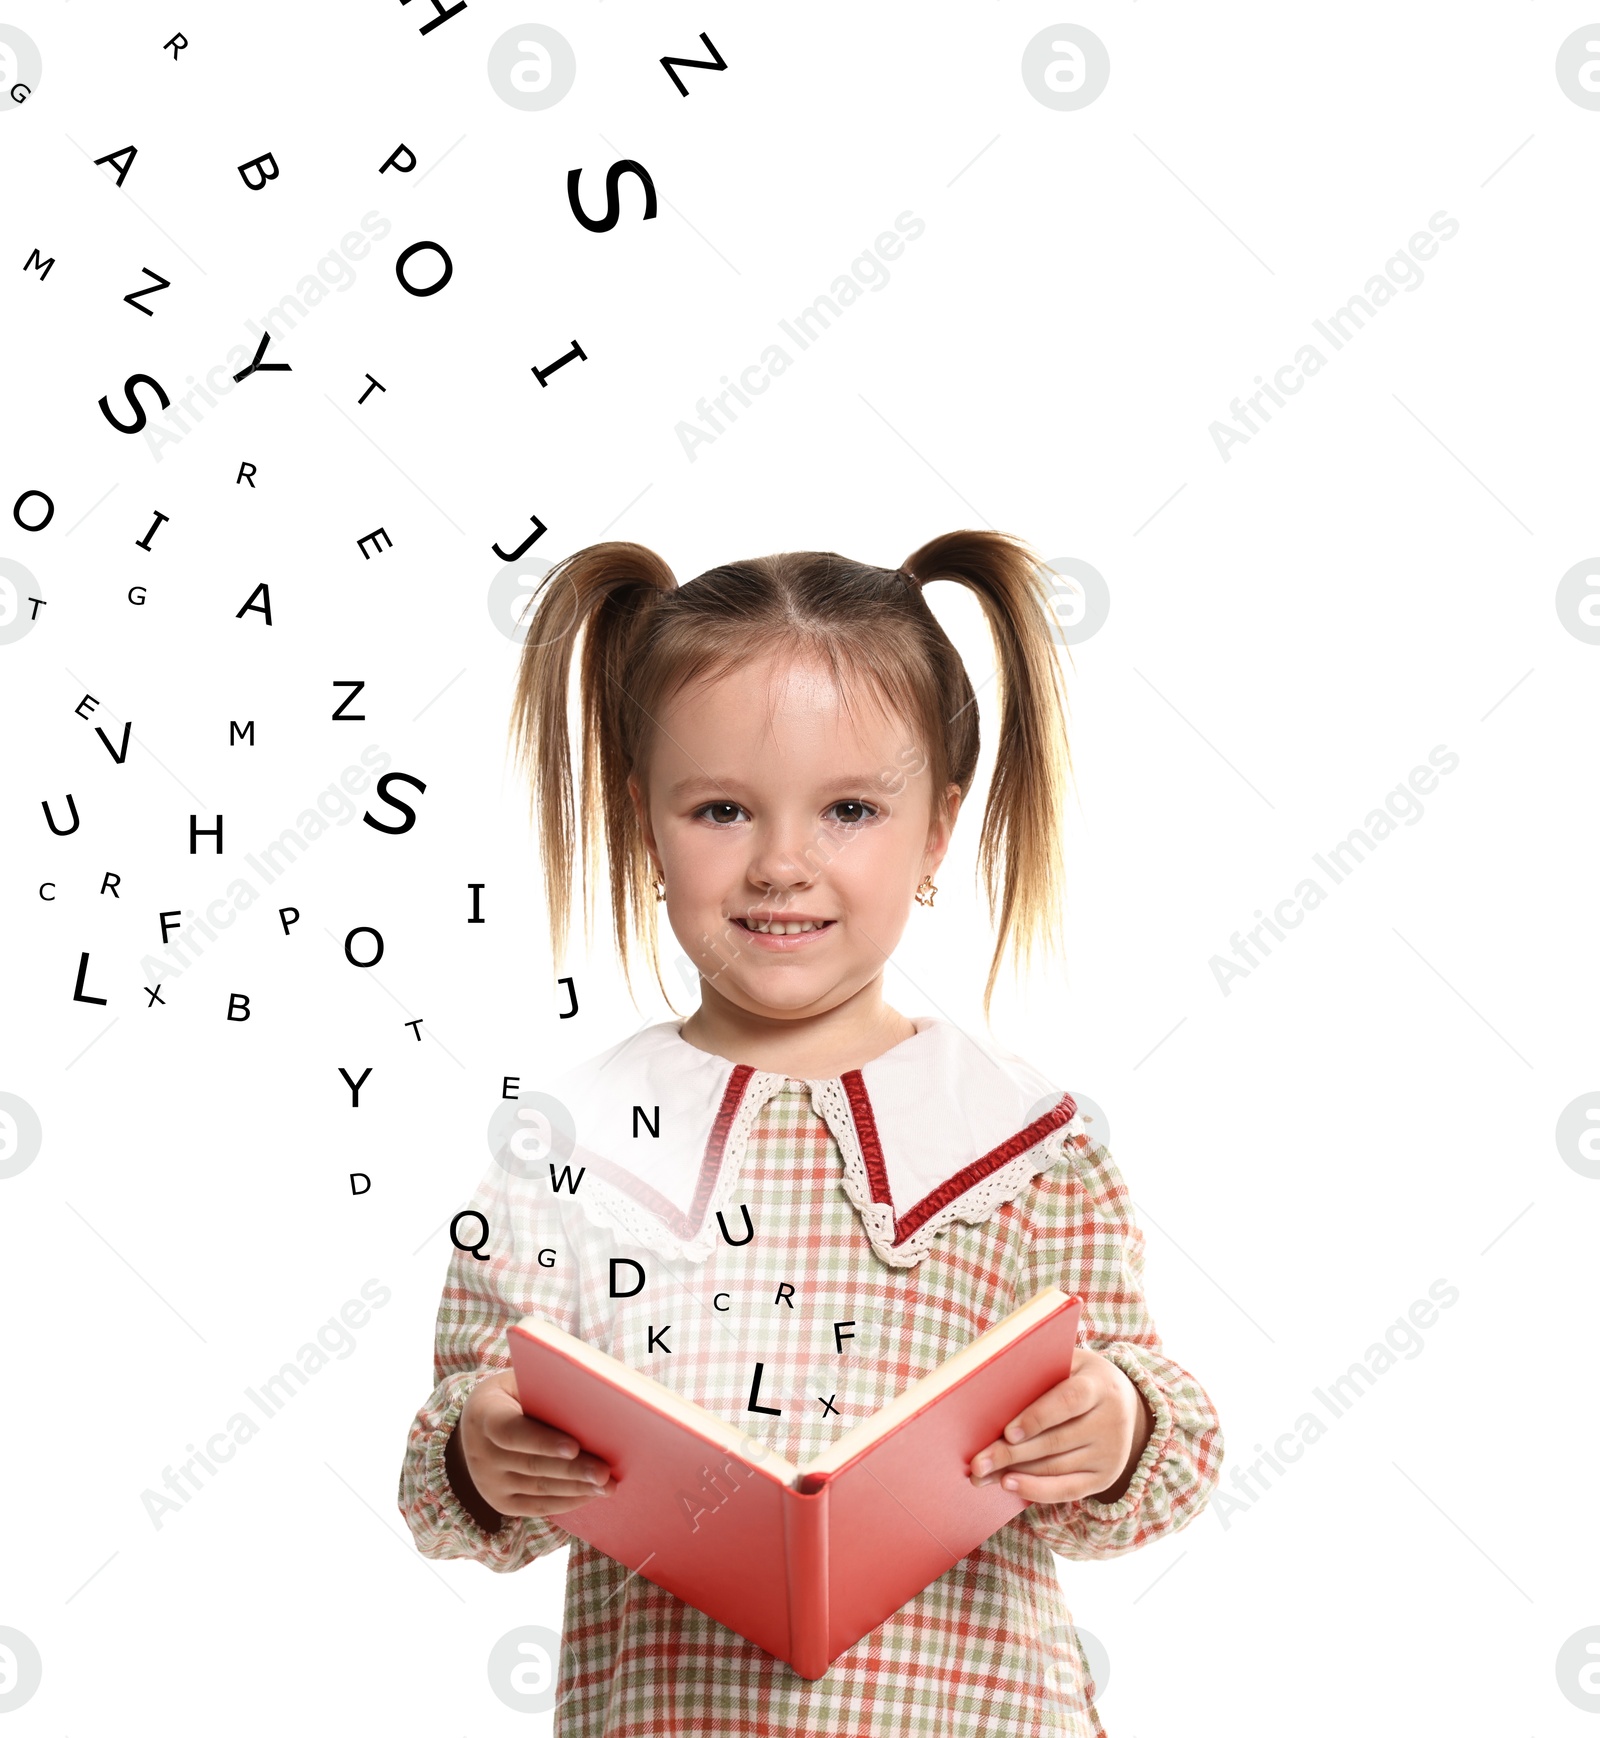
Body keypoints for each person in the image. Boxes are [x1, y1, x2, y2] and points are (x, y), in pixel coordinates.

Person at [396, 529, 1224, 1735]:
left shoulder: (1023, 1143)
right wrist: (483, 1449)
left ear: (937, 829)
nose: (782, 864)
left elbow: (1168, 1450)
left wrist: (1114, 1424)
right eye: (722, 808)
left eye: (848, 809)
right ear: (643, 821)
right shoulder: (566, 1156)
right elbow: (442, 1472)